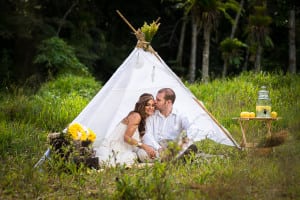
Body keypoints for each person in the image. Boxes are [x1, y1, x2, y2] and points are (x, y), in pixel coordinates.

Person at [96, 93, 157, 166]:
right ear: (142, 105)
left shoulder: (144, 119)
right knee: (111, 163)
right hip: (112, 148)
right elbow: (126, 137)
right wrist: (144, 146)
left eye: (153, 105)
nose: (151, 107)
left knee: (131, 158)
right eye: (148, 105)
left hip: (124, 150)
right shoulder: (136, 116)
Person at [138, 88, 197, 162]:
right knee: (141, 154)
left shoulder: (180, 115)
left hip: (172, 146)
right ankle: (173, 160)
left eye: (158, 100)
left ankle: (170, 158)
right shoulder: (151, 114)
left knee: (187, 146)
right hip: (156, 147)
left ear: (168, 102)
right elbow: (147, 135)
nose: (155, 102)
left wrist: (185, 140)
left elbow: (192, 128)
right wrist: (159, 148)